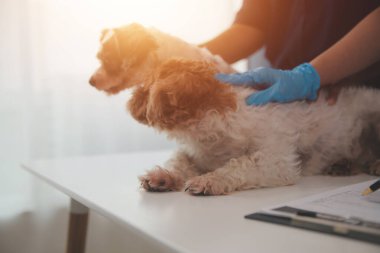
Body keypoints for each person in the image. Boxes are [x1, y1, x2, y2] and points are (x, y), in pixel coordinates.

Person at [201, 0, 380, 106]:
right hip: (286, 97)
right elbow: (253, 24)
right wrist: (188, 54)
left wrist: (312, 76)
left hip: (360, 95)